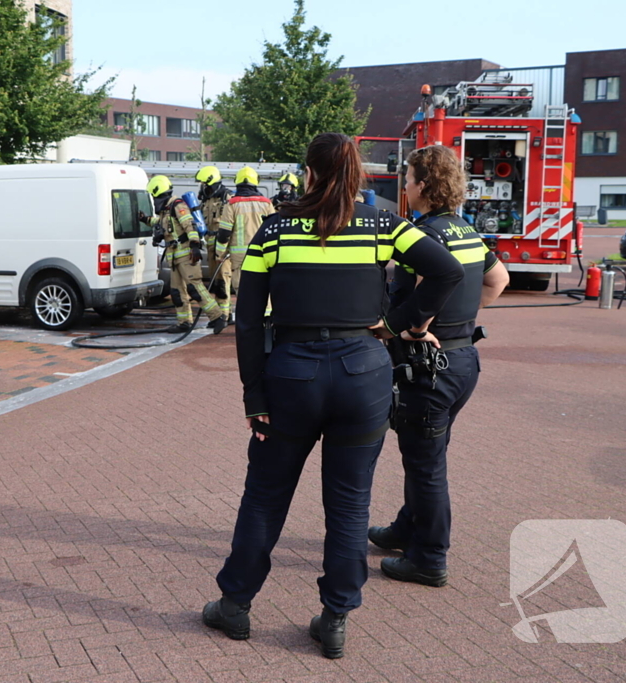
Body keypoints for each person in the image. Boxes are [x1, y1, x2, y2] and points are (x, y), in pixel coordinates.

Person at [202, 134, 465, 659]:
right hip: (363, 374)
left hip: (291, 376)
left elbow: (249, 322)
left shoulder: (274, 231)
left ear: (310, 171)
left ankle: (235, 605)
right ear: (355, 173)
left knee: (265, 495)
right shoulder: (382, 224)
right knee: (349, 504)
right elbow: (448, 270)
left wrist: (254, 395)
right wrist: (395, 324)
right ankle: (336, 616)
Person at [368, 145, 510, 588]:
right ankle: (406, 529)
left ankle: (429, 558)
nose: (405, 186)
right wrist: (459, 322)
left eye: (408, 179)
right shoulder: (466, 230)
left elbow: (424, 287)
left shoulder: (423, 235)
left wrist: (417, 326)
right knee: (426, 455)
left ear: (424, 185)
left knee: (427, 466)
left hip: (429, 366)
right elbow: (498, 280)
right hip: (464, 359)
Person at [142, 175, 227, 334]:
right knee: (177, 292)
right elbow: (160, 223)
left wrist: (195, 246)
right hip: (174, 257)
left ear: (158, 191)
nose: (153, 199)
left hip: (186, 254)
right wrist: (145, 219)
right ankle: (184, 322)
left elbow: (189, 225)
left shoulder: (178, 205)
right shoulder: (166, 209)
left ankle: (217, 317)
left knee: (195, 288)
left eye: (153, 195)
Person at [215, 167, 274, 298]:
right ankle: (267, 316)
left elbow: (224, 233)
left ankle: (246, 317)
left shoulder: (232, 204)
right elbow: (273, 230)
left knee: (243, 290)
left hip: (240, 257)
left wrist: (219, 254)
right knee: (264, 289)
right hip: (263, 253)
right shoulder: (267, 203)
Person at [195, 166, 234, 323]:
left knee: (223, 281)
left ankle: (225, 315)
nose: (202, 187)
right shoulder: (207, 199)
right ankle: (221, 313)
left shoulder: (227, 197)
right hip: (210, 246)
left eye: (205, 184)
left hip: (223, 247)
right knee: (215, 282)